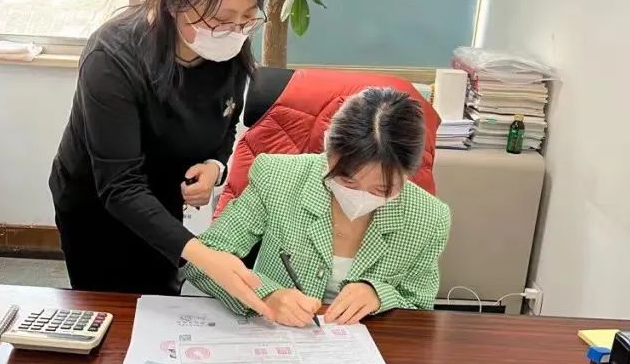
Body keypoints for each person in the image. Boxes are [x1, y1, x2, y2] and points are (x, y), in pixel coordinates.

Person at [50, 0, 271, 316]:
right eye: (220, 19)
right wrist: (203, 256)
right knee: (109, 314)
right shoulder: (112, 58)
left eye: (247, 18)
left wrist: (214, 166)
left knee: (161, 306)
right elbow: (120, 186)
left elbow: (226, 122)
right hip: (98, 206)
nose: (236, 32)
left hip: (162, 197)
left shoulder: (228, 45)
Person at [187, 87, 451, 326]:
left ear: (410, 174)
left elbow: (419, 306)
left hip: (365, 353)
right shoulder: (278, 178)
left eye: (382, 189)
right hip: (275, 338)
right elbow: (201, 262)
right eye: (347, 180)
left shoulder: (429, 217)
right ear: (328, 148)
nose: (360, 196)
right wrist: (266, 294)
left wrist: (379, 295)